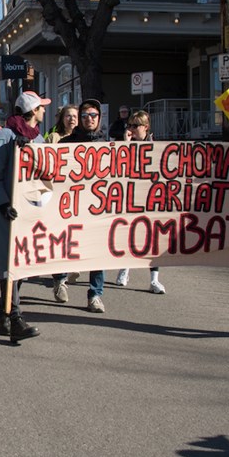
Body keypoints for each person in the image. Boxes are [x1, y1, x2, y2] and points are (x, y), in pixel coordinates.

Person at [0, 92, 45, 344]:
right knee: (9, 266)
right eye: (41, 107)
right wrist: (3, 203)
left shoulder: (38, 139)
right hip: (3, 212)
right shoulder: (2, 137)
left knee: (21, 264)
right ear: (33, 111)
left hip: (27, 212)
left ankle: (4, 316)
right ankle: (15, 317)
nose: (44, 112)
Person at [55, 98, 110, 313]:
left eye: (93, 115)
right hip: (70, 205)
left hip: (96, 207)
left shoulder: (107, 145)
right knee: (64, 245)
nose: (89, 119)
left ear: (99, 118)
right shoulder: (66, 143)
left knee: (97, 251)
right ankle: (60, 280)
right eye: (85, 115)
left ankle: (95, 295)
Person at [114, 110, 166, 294]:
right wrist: (126, 144)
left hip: (150, 198)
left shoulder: (155, 146)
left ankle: (154, 280)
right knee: (129, 235)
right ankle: (125, 269)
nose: (131, 129)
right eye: (129, 125)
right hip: (130, 197)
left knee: (153, 239)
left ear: (145, 127)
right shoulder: (125, 145)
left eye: (135, 126)